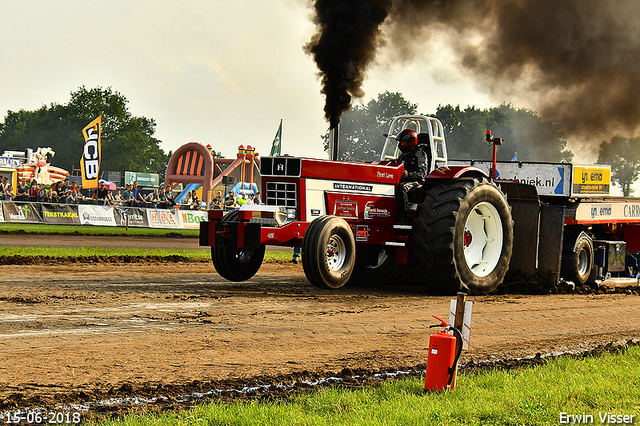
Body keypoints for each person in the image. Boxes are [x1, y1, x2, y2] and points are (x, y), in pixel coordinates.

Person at [395, 128, 429, 224]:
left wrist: (408, 174)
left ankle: (403, 217)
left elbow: (422, 174)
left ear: (411, 141)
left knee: (402, 188)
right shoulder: (402, 155)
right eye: (401, 142)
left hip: (417, 181)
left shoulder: (420, 155)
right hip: (402, 179)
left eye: (404, 142)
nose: (402, 144)